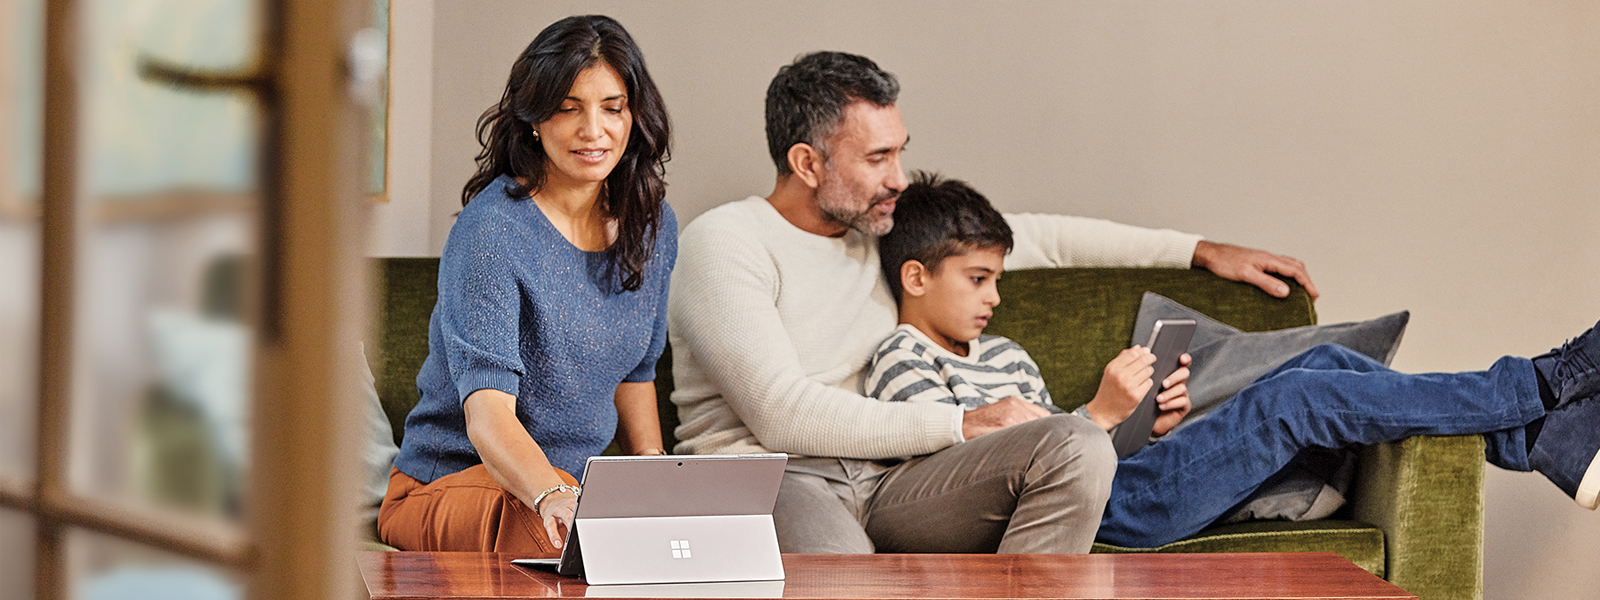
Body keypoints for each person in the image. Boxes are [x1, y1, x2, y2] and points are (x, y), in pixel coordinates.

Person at [667, 50, 1319, 554]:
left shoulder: (880, 228)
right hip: (773, 479)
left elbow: (1049, 236)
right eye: (877, 157)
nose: (897, 178)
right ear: (807, 164)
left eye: (901, 152)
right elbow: (781, 415)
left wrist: (1201, 250)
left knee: (1076, 445)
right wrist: (967, 423)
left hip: (894, 480)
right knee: (847, 579)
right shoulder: (725, 242)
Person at [869, 172, 1599, 549]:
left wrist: (1142, 424)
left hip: (1118, 478)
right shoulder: (900, 359)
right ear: (915, 277)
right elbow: (953, 484)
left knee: (1323, 370)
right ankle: (1545, 383)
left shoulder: (1004, 352)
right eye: (978, 280)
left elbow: (1060, 445)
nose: (995, 297)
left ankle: (1536, 437)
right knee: (1298, 403)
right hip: (1105, 514)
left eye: (998, 277)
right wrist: (1098, 413)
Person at [378, 15, 675, 556]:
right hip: (448, 488)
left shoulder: (651, 224)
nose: (593, 130)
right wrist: (553, 493)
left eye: (612, 107)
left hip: (571, 491)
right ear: (534, 117)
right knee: (561, 539)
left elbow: (637, 373)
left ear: (635, 115)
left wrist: (657, 485)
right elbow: (488, 412)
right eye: (568, 107)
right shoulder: (491, 233)